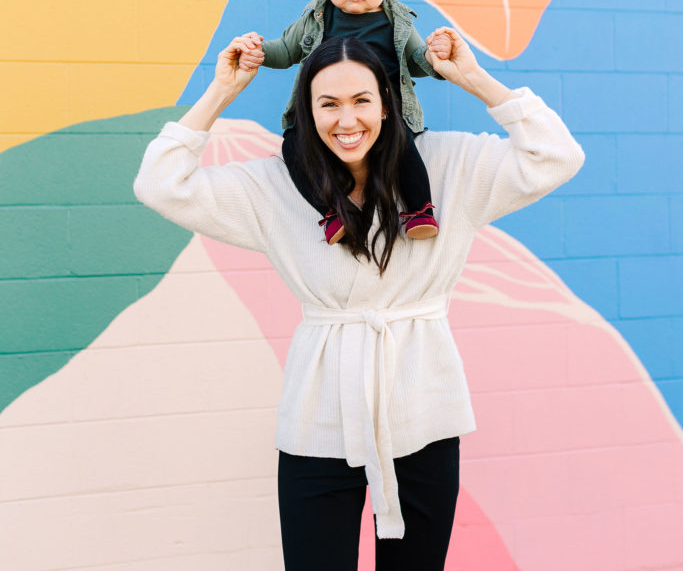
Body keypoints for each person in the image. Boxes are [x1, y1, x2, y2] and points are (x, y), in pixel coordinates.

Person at [133, 29, 584, 571]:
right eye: (328, 104)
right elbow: (159, 185)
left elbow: (556, 155)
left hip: (424, 408)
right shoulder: (273, 185)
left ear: (388, 104)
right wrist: (220, 93)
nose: (347, 120)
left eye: (361, 100)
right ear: (307, 112)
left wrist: (473, 79)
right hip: (318, 415)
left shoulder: (448, 165)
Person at [233, 0, 453, 244]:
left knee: (402, 146)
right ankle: (332, 212)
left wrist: (437, 56)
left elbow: (417, 61)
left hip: (383, 113)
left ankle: (419, 209)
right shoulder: (317, 16)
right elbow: (286, 51)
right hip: (328, 113)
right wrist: (259, 51)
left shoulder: (396, 22)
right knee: (293, 146)